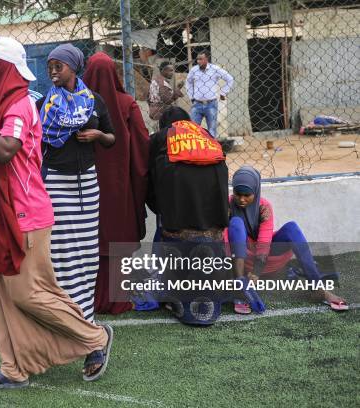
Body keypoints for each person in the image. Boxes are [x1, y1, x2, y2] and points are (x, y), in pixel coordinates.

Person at [0, 37, 113, 391]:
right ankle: (12, 368)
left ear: (1, 67)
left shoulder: (19, 105)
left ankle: (94, 336)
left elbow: (6, 150)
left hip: (24, 216)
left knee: (28, 293)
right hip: (0, 215)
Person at [36, 44, 116, 322]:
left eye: (59, 66)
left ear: (74, 68)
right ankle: (62, 314)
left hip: (86, 184)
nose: (53, 72)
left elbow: (112, 138)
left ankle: (85, 315)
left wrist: (97, 135)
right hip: (55, 183)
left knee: (86, 251)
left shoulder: (94, 101)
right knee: (59, 252)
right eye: (50, 67)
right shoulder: (43, 104)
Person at [146, 107, 230, 324]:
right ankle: (212, 305)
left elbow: (149, 177)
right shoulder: (206, 135)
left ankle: (172, 298)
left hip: (177, 214)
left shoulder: (160, 137)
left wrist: (161, 209)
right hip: (214, 212)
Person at [227, 166, 349, 313]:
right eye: (237, 194)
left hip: (264, 255)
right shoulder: (227, 204)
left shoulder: (264, 207)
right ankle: (240, 288)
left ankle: (318, 289)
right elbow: (222, 235)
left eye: (247, 195)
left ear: (256, 190)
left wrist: (257, 271)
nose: (241, 199)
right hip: (240, 256)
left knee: (292, 228)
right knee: (236, 223)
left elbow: (265, 242)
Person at [82, 52, 150, 315]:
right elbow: (142, 145)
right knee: (118, 232)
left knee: (87, 237)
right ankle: (116, 298)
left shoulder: (76, 104)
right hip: (119, 186)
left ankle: (87, 298)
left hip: (83, 186)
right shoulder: (127, 104)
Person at [185, 51, 234, 138]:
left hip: (211, 104)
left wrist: (223, 92)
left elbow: (230, 79)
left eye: (201, 59)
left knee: (212, 130)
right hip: (197, 104)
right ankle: (196, 150)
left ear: (206, 59)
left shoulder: (215, 69)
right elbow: (188, 82)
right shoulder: (194, 70)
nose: (198, 61)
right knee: (193, 129)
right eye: (197, 59)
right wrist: (191, 96)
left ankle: (212, 149)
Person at [148, 61, 184, 126]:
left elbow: (148, 96)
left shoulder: (155, 80)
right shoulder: (162, 84)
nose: (172, 73)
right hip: (161, 113)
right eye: (170, 71)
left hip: (154, 111)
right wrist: (177, 89)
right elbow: (167, 100)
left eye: (173, 70)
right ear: (164, 71)